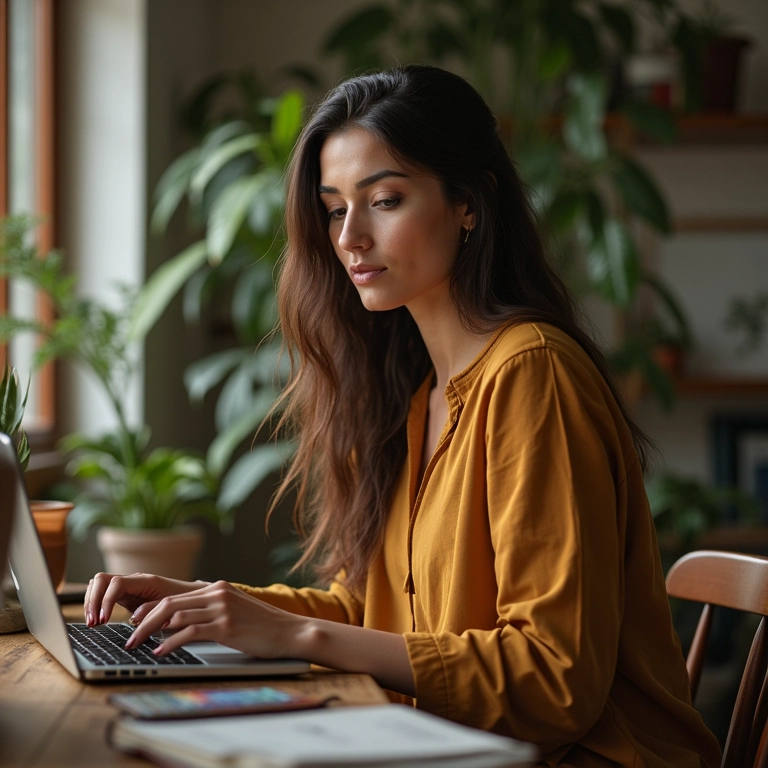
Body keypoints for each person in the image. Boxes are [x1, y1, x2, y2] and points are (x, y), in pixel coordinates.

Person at [85, 65, 721, 766]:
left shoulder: (531, 374)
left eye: (384, 199)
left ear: (469, 204)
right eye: (333, 208)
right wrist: (216, 606)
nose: (351, 236)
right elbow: (372, 616)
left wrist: (295, 637)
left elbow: (553, 682)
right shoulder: (418, 396)